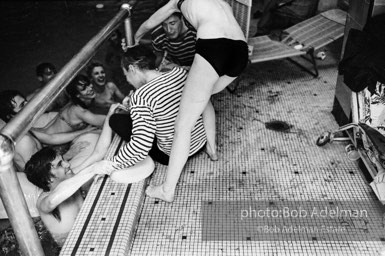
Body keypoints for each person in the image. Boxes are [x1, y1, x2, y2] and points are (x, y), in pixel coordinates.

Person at [134, 0, 249, 202]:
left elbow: (150, 23)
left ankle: (167, 190)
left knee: (183, 125)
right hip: (240, 51)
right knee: (202, 99)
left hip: (215, 46)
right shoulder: (220, 2)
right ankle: (212, 149)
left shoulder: (177, 1)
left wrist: (135, 37)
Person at [81, 45, 209, 185]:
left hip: (172, 155)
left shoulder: (141, 97)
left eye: (126, 76)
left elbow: (140, 147)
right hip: (199, 142)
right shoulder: (178, 72)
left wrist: (109, 165)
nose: (128, 81)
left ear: (132, 69)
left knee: (116, 120)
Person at [24, 147, 112, 246]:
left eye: (63, 160)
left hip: (90, 229)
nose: (67, 164)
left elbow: (98, 153)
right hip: (71, 244)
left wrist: (110, 130)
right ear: (49, 179)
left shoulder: (70, 177)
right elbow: (53, 200)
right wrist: (92, 170)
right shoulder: (42, 202)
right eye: (60, 164)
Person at [0, 90, 96, 171]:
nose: (28, 105)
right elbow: (38, 172)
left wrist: (83, 131)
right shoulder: (22, 141)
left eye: (26, 101)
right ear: (10, 116)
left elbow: (51, 138)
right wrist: (66, 156)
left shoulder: (23, 130)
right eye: (22, 105)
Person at [32, 75, 106, 135]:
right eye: (84, 88)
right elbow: (103, 120)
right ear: (77, 95)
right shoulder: (78, 110)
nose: (90, 88)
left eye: (88, 84)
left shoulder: (73, 103)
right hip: (45, 139)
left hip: (44, 132)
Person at [150, 0, 197, 70]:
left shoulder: (195, 30)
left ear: (182, 18)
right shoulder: (157, 36)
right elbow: (159, 58)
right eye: (164, 24)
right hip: (176, 67)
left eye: (172, 23)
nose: (168, 30)